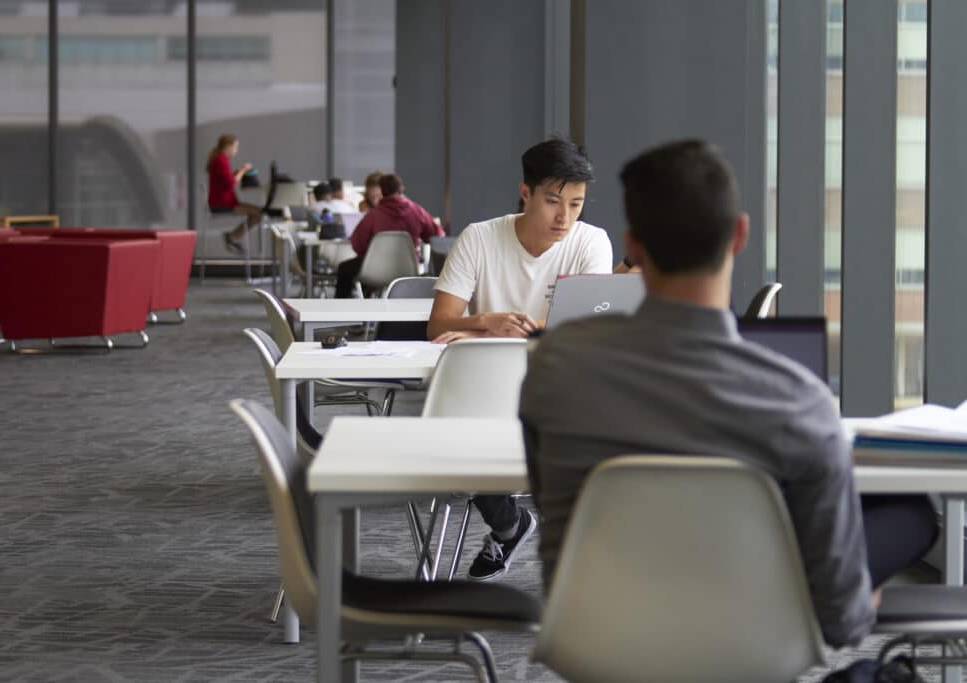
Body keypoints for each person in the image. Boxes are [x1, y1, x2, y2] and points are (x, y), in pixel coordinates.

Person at [519, 139, 938, 648]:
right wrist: (855, 601)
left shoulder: (554, 368)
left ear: (634, 245)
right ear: (739, 235)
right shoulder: (799, 397)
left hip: (594, 633)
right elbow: (843, 627)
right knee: (910, 511)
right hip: (757, 643)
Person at [428, 138, 614, 581]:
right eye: (553, 202)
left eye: (576, 204)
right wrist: (487, 322)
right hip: (484, 396)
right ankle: (510, 525)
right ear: (525, 193)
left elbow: (582, 336)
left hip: (558, 393)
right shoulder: (479, 238)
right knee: (460, 449)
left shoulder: (591, 243)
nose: (564, 217)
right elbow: (438, 325)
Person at [334, 173, 443, 298]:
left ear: (382, 190)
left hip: (373, 269)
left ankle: (341, 314)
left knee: (344, 269)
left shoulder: (374, 214)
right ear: (401, 188)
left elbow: (357, 244)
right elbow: (436, 235)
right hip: (408, 268)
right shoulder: (417, 210)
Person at [206, 134, 262, 255]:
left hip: (223, 201)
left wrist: (236, 172)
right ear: (228, 146)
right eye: (235, 147)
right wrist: (242, 170)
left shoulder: (220, 159)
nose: (236, 150)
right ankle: (232, 236)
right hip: (223, 203)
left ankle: (232, 236)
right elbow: (232, 182)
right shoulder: (221, 160)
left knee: (258, 213)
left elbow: (226, 179)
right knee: (259, 213)